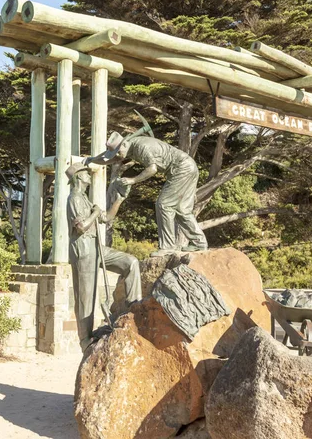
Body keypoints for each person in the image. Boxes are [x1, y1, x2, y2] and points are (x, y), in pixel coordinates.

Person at [88, 132, 208, 256]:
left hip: (182, 169)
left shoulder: (141, 147)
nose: (118, 156)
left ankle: (168, 247)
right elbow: (113, 159)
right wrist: (93, 160)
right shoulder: (128, 147)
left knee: (164, 205)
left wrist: (132, 180)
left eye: (118, 152)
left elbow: (152, 169)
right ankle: (199, 243)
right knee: (182, 210)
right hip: (189, 167)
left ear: (124, 144)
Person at [66, 162, 142, 352]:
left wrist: (119, 200)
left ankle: (134, 306)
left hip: (97, 246)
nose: (89, 176)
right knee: (86, 295)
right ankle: (85, 339)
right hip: (83, 248)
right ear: (78, 178)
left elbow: (106, 218)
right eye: (85, 173)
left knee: (130, 262)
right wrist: (94, 213)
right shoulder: (74, 198)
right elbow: (81, 227)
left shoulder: (84, 198)